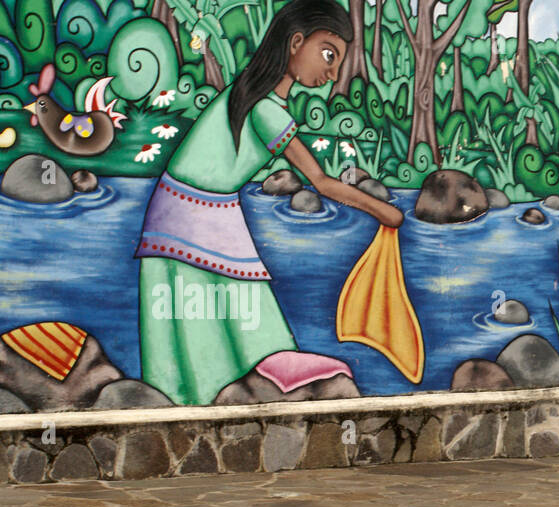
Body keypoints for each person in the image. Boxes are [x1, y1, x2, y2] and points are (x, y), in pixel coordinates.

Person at [135, 0, 403, 406]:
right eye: (328, 55)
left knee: (223, 315)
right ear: (296, 42)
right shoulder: (263, 109)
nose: (331, 74)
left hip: (197, 211)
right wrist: (383, 210)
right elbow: (321, 182)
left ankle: (222, 393)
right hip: (190, 216)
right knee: (206, 318)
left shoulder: (250, 95)